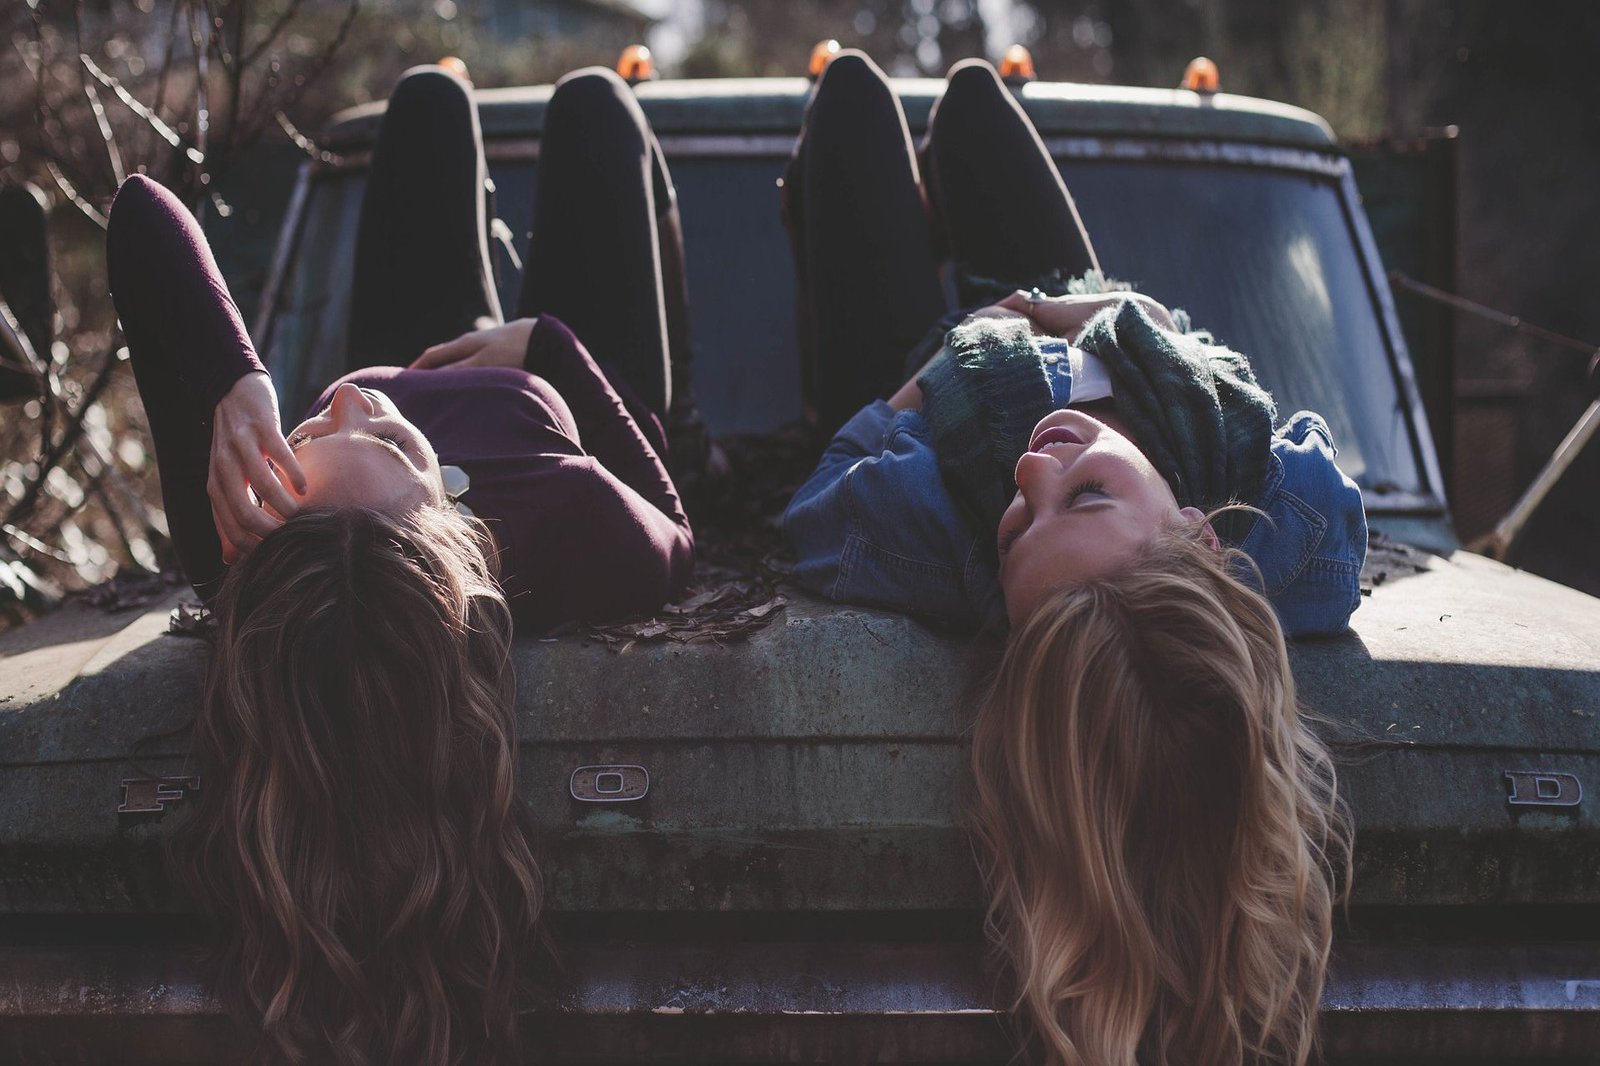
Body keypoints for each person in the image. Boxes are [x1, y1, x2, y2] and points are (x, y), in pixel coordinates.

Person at [107, 65, 694, 1065]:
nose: (345, 405)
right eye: (382, 444)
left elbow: (138, 214)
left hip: (413, 339)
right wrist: (546, 348)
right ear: (448, 530)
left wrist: (232, 379)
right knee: (596, 107)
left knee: (424, 100)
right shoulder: (566, 525)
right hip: (550, 394)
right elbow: (678, 524)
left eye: (302, 437)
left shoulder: (238, 533)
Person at [780, 52, 1355, 1065]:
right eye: (1087, 493)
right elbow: (1242, 398)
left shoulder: (926, 526)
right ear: (1201, 537)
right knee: (969, 97)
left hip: (932, 380)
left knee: (852, 105)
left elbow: (826, 489)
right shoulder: (1294, 527)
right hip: (1101, 327)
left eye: (1016, 529)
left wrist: (946, 358)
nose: (1034, 474)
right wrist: (1110, 327)